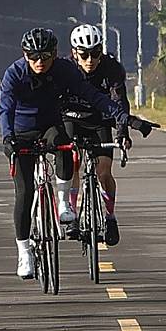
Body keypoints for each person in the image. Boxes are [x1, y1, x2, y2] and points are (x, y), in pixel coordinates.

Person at [0, 27, 158, 279]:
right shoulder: (14, 73)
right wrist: (7, 138)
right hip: (21, 132)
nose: (40, 62)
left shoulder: (65, 70)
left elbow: (94, 96)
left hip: (51, 125)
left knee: (64, 143)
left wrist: (126, 120)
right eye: (34, 57)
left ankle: (63, 203)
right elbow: (5, 108)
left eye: (46, 56)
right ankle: (24, 252)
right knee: (25, 191)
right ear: (25, 55)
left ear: (55, 54)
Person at [64, 24, 131, 245]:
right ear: (75, 53)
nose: (90, 59)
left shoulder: (111, 67)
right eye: (84, 54)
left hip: (99, 121)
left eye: (95, 53)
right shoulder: (65, 68)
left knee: (104, 173)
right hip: (71, 118)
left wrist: (122, 133)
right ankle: (72, 214)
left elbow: (119, 101)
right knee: (72, 162)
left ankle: (110, 217)